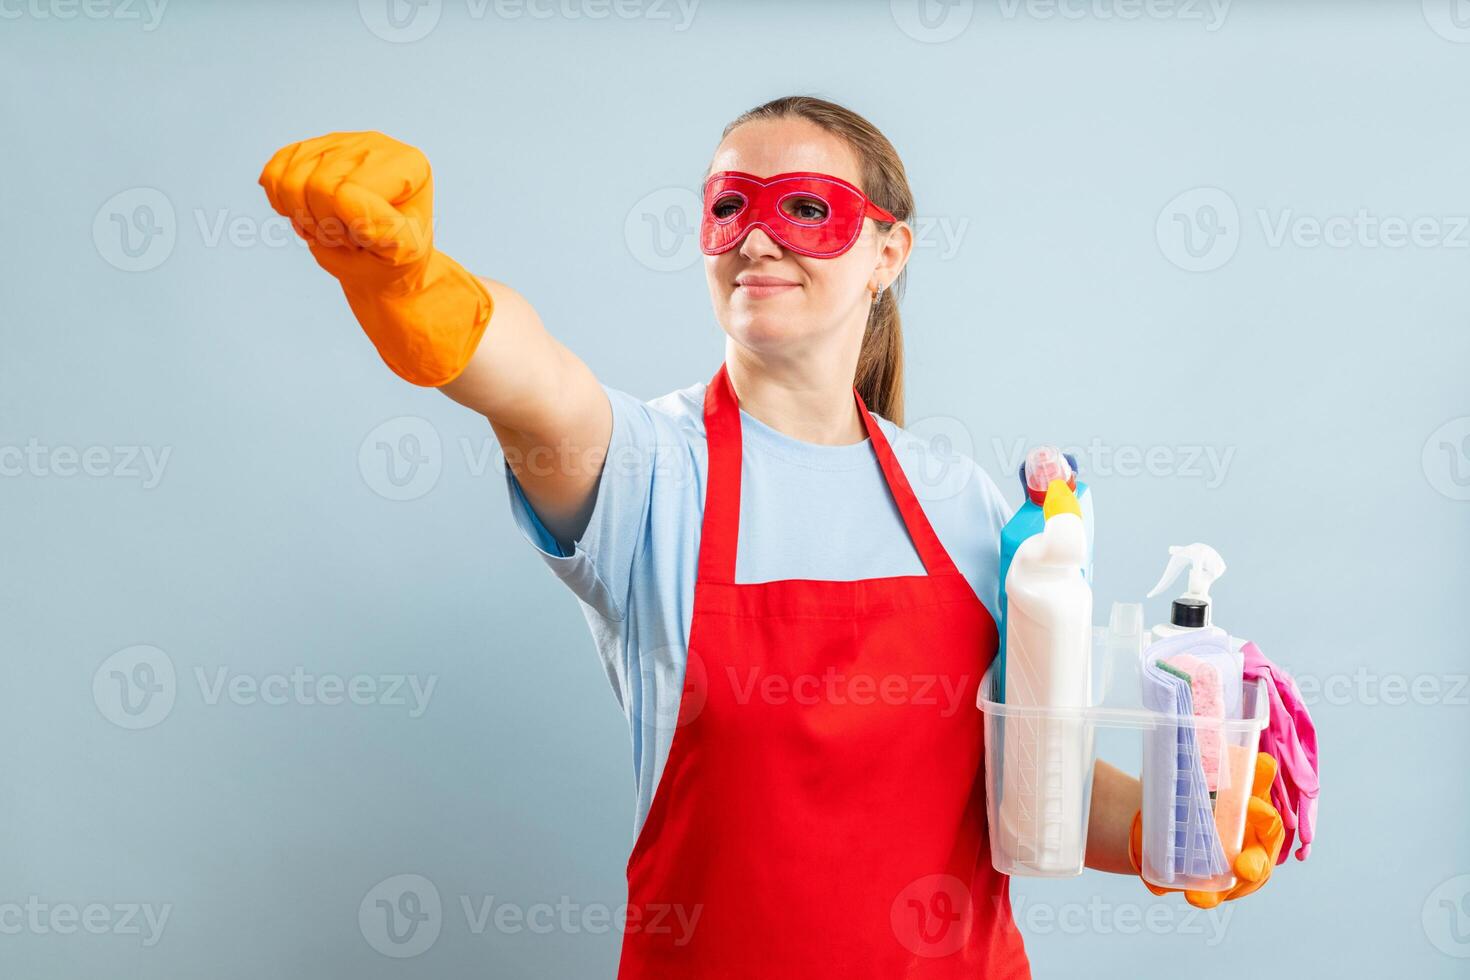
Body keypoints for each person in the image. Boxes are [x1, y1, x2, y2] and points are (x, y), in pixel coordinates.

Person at [258, 95, 1284, 979]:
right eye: (728, 207)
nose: (757, 236)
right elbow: (537, 391)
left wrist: (1171, 826)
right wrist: (418, 286)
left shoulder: (965, 500)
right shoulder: (653, 469)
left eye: (805, 208)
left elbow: (1031, 787)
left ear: (889, 252)